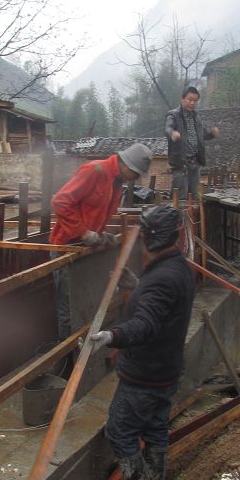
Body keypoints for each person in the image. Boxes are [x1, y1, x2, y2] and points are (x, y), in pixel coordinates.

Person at [90, 204, 195, 480]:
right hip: (166, 369)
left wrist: (111, 336)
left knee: (119, 430)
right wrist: (137, 286)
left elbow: (145, 324)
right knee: (155, 427)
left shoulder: (162, 277)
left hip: (145, 374)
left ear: (149, 238)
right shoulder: (178, 268)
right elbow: (162, 308)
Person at [50, 143, 153, 341]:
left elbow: (94, 212)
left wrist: (101, 234)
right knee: (69, 309)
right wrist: (82, 233)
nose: (136, 178)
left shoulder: (116, 182)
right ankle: (68, 355)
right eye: (136, 174)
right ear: (127, 165)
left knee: (84, 304)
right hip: (66, 248)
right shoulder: (94, 170)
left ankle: (85, 347)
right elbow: (60, 202)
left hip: (85, 251)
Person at [164, 86, 219, 201]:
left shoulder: (196, 117)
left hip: (195, 163)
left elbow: (202, 135)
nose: (192, 103)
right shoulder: (174, 115)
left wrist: (212, 133)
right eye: (189, 99)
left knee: (195, 197)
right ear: (182, 99)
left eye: (195, 100)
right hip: (181, 164)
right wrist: (172, 133)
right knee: (181, 197)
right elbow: (168, 128)